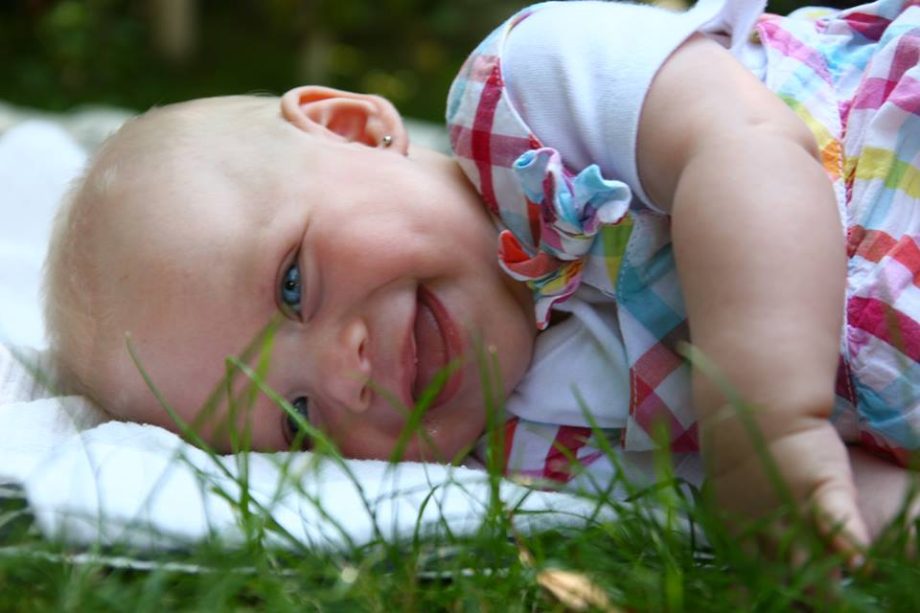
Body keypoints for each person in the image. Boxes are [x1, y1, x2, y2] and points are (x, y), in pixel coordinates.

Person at [43, 0, 920, 560]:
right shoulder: (524, 459)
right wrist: (830, 516)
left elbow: (747, 147)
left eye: (293, 287)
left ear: (350, 128)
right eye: (298, 419)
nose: (346, 374)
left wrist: (763, 420)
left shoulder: (526, 94)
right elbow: (800, 494)